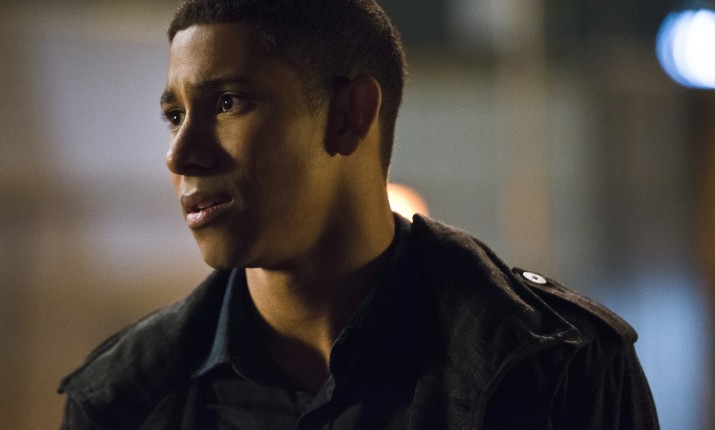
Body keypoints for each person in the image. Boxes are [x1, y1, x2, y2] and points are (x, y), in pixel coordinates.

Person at [58, 0, 660, 428]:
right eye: (174, 116)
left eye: (228, 102)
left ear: (350, 114)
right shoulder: (123, 397)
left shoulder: (557, 366)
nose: (180, 154)